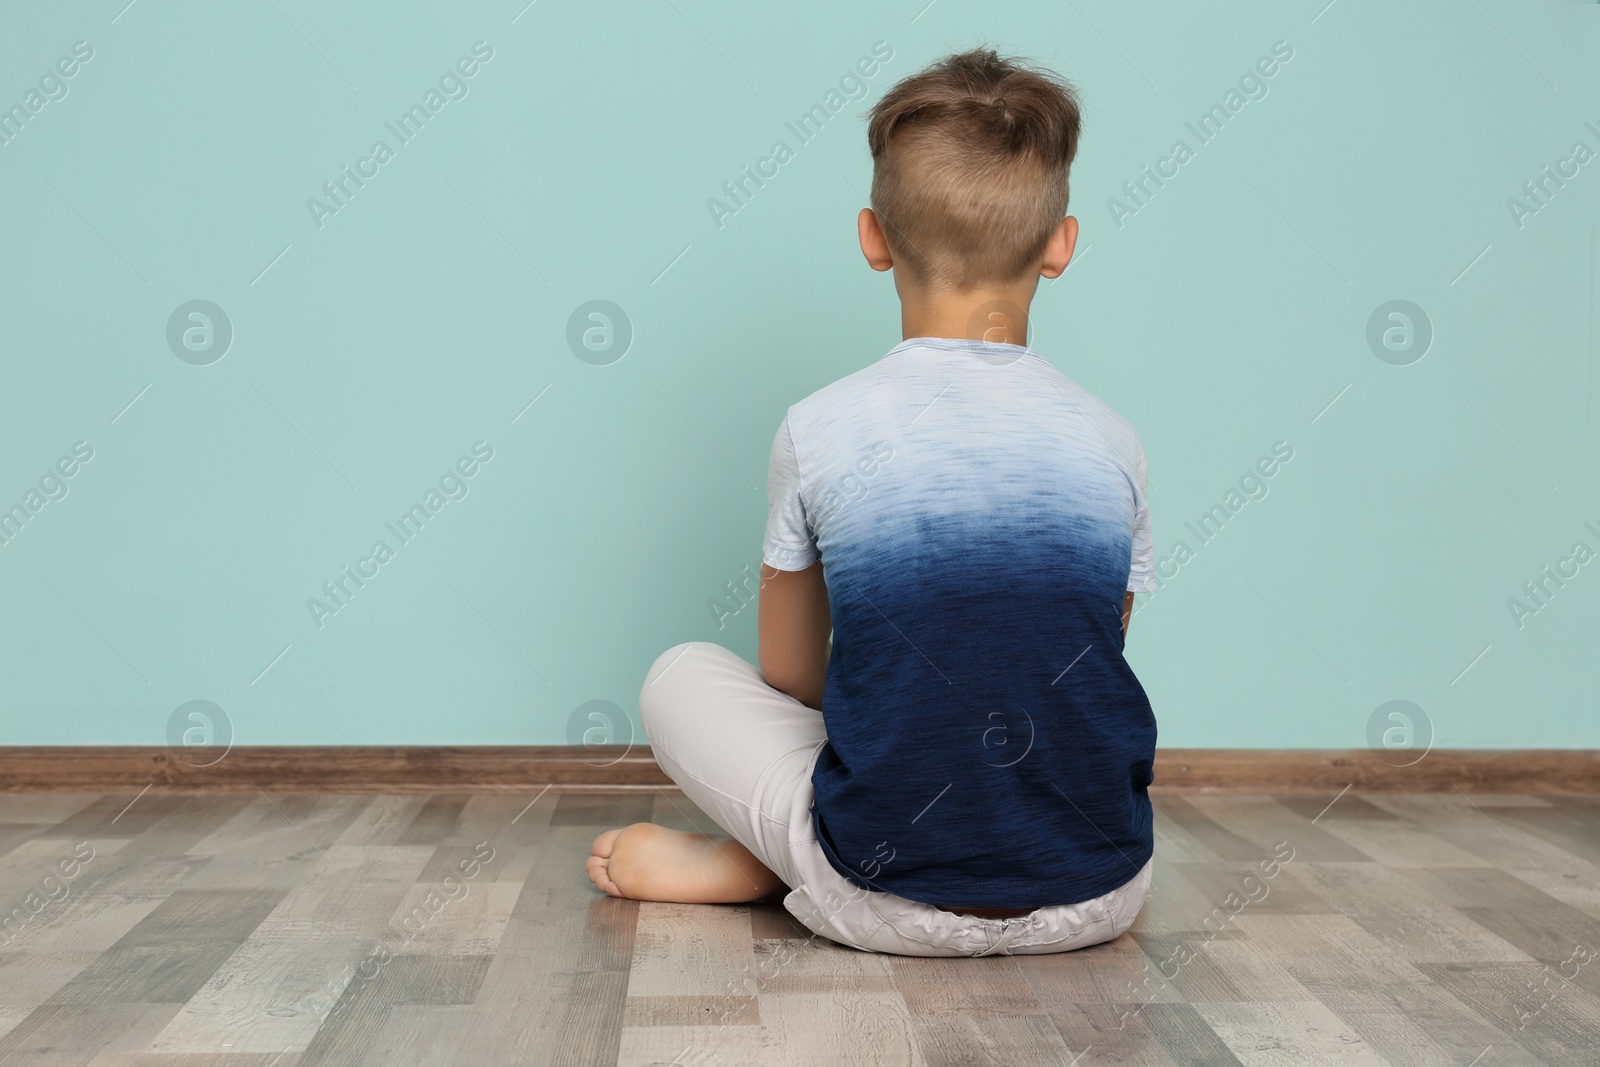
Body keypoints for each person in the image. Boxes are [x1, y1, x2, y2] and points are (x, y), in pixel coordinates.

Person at [586, 47, 1156, 957]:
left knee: (680, 676)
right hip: (1101, 892)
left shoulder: (819, 429)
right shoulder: (1112, 441)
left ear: (873, 236)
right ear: (1061, 245)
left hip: (880, 896)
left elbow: (790, 675)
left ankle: (773, 860)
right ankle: (808, 847)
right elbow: (1084, 651)